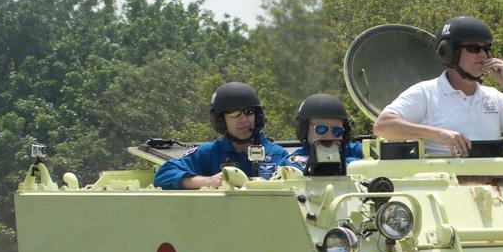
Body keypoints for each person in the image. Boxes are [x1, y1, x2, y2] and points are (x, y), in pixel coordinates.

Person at [373, 16, 503, 157]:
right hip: (443, 188)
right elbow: (382, 126)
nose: (482, 55)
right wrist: (438, 134)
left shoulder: (492, 97)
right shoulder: (426, 93)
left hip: (492, 187)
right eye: (473, 48)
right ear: (449, 52)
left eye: (485, 49)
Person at [154, 82, 296, 189]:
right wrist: (209, 181)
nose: (243, 119)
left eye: (249, 112)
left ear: (257, 116)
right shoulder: (208, 154)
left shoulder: (278, 155)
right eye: (234, 113)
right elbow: (163, 175)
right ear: (221, 120)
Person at [286, 93, 362, 175]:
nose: (329, 136)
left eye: (337, 131)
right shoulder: (291, 163)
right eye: (321, 129)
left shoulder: (353, 151)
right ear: (304, 129)